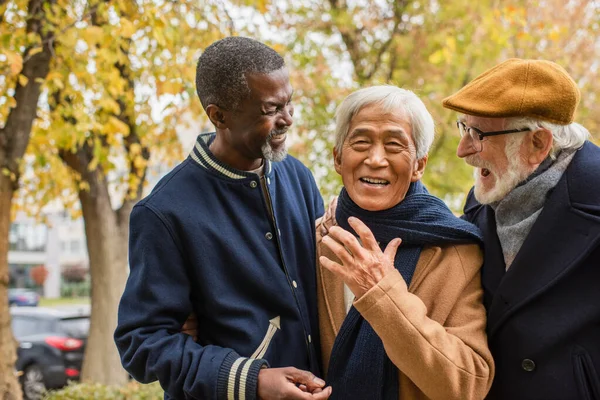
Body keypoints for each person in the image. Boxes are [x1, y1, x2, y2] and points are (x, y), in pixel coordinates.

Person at [114, 37, 331, 400]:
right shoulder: (163, 212)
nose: (288, 119)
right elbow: (141, 345)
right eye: (270, 108)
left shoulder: (299, 178)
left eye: (289, 102)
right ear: (219, 115)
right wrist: (253, 380)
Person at [316, 85, 494, 400]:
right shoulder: (319, 239)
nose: (375, 159)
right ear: (337, 158)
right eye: (361, 141)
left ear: (419, 166)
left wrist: (384, 298)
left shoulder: (454, 249)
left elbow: (470, 384)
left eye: (394, 145)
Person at [443, 58, 600, 400]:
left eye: (478, 134)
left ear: (537, 144)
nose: (463, 150)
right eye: (464, 128)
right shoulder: (483, 198)